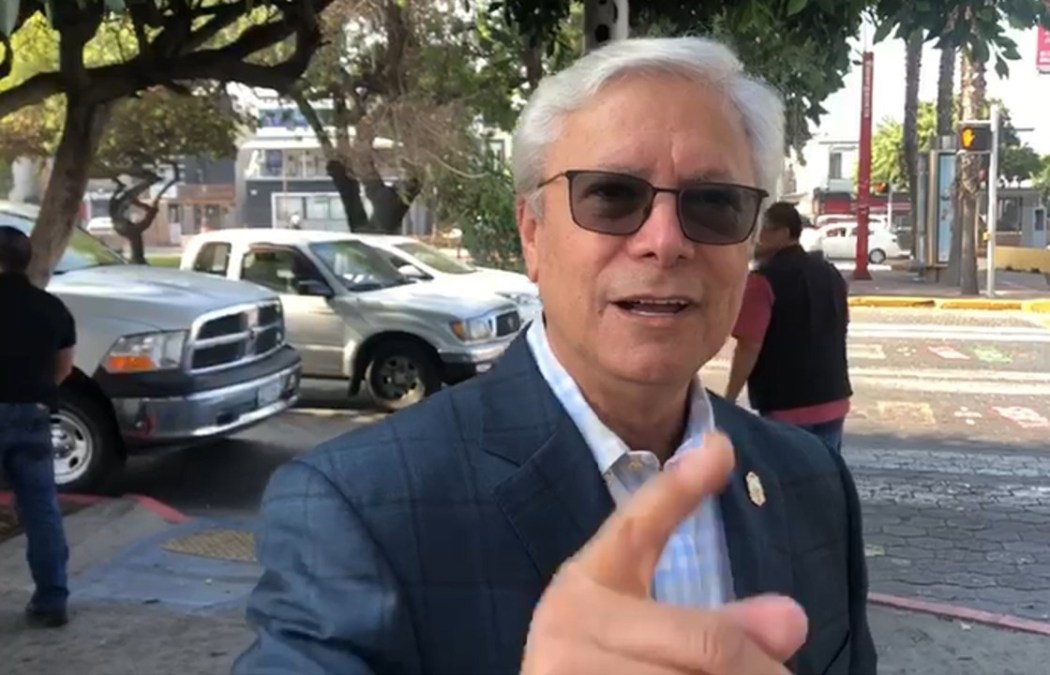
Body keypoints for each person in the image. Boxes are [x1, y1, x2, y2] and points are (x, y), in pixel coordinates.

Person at [235, 37, 876, 675]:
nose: (664, 241)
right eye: (611, 195)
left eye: (714, 203)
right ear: (533, 235)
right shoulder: (358, 506)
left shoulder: (811, 481)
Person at [724, 202, 853, 454]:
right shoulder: (830, 273)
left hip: (787, 404)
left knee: (788, 475)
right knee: (825, 473)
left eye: (762, 231)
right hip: (834, 397)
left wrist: (729, 398)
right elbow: (841, 325)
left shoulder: (762, 281)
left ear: (783, 233)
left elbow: (749, 346)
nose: (755, 239)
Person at [0, 225, 75, 628]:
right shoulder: (51, 307)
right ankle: (51, 600)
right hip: (33, 413)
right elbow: (64, 367)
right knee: (42, 508)